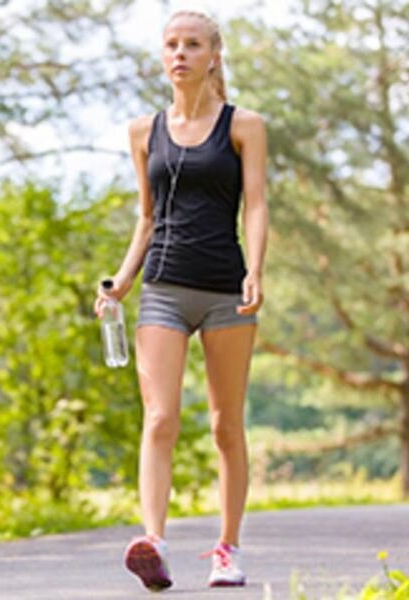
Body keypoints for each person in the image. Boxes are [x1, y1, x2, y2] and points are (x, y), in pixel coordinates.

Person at [93, 9, 269, 592]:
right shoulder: (144, 131)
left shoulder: (244, 125)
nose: (180, 54)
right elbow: (146, 217)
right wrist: (121, 281)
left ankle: (228, 550)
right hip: (163, 289)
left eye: (193, 45)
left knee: (225, 426)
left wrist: (256, 270)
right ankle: (155, 543)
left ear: (213, 56)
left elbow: (256, 204)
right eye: (171, 45)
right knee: (160, 417)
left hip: (226, 290)